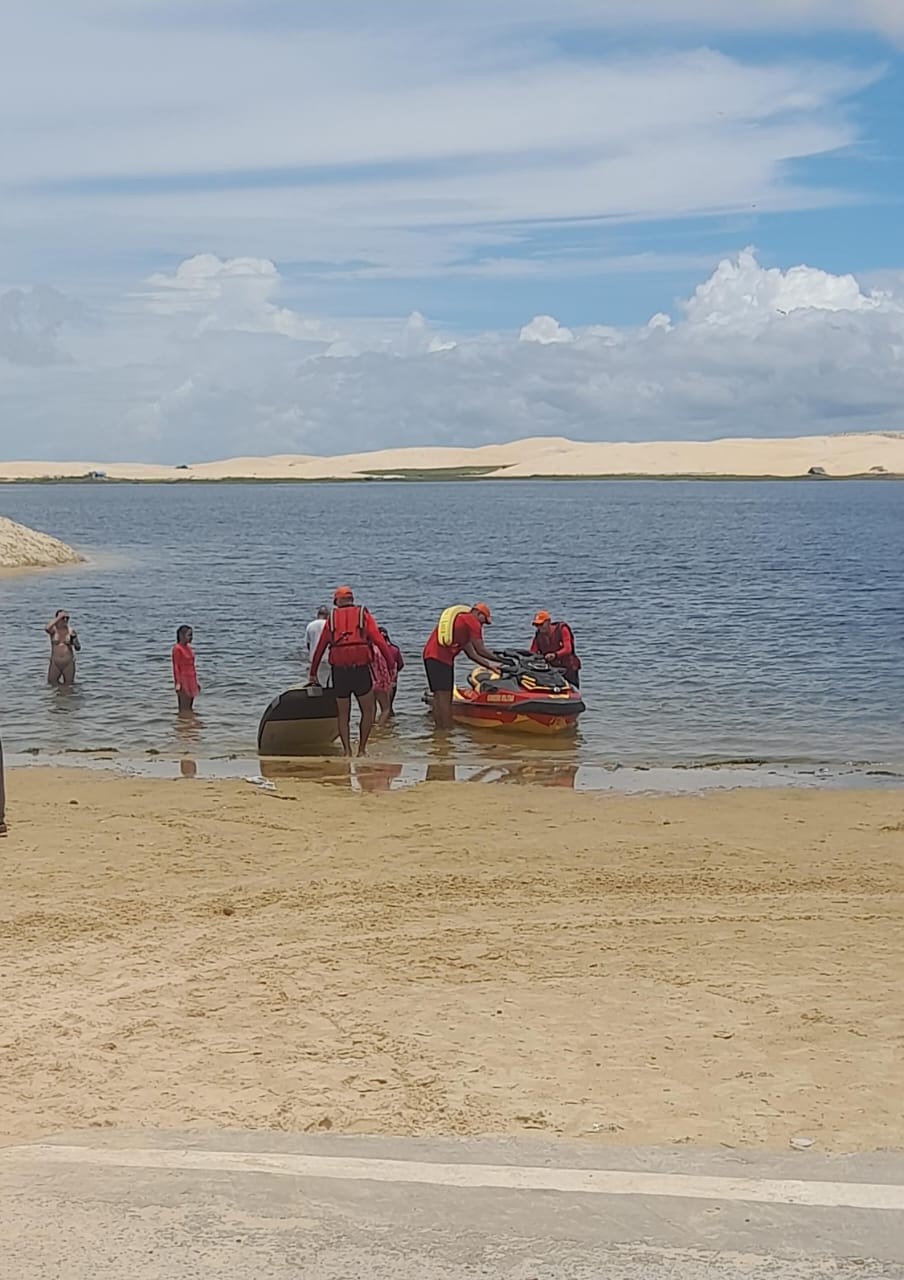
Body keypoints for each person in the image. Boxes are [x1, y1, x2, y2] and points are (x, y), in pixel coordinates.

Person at [309, 586, 396, 757]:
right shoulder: (363, 615)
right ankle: (362, 749)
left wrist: (313, 672)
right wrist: (391, 662)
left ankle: (347, 750)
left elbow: (320, 648)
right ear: (352, 600)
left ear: (337, 601)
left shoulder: (332, 619)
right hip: (360, 671)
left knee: (343, 714)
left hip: (340, 672)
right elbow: (379, 640)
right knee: (368, 711)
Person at [423, 603, 499, 730]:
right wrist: (502, 659)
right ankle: (447, 729)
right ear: (478, 613)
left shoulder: (462, 623)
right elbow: (480, 650)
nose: (482, 625)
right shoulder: (471, 621)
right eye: (483, 620)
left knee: (438, 695)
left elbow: (472, 655)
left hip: (430, 656)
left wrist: (491, 666)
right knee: (445, 697)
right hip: (440, 658)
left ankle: (439, 730)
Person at [530, 610, 581, 688]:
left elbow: (568, 648)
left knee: (571, 691)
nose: (539, 627)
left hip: (568, 668)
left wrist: (555, 655)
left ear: (548, 622)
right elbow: (532, 652)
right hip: (552, 670)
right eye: (537, 625)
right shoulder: (538, 636)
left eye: (541, 624)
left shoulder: (562, 629)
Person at [45, 610, 80, 686]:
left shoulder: (71, 630)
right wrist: (59, 617)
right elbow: (47, 628)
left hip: (68, 662)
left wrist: (73, 639)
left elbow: (78, 647)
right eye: (63, 618)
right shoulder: (53, 630)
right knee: (51, 684)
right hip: (55, 662)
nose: (65, 620)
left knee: (69, 686)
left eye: (67, 618)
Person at [172, 625, 200, 713]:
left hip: (191, 679)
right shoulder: (177, 648)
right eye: (189, 635)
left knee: (190, 707)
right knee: (184, 707)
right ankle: (182, 723)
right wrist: (178, 683)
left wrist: (196, 682)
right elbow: (176, 666)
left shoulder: (189, 648)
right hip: (183, 680)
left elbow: (191, 666)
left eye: (192, 635)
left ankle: (188, 723)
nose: (191, 637)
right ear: (181, 635)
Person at [380, 627, 405, 716]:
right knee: (389, 706)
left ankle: (381, 726)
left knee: (379, 707)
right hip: (392, 682)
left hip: (378, 682)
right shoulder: (395, 649)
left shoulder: (374, 650)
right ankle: (389, 725)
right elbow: (400, 665)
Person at [305, 605, 331, 688]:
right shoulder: (329, 625)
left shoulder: (310, 625)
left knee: (316, 684)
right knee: (329, 684)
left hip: (314, 659)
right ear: (328, 615)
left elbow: (308, 644)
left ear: (318, 615)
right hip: (328, 658)